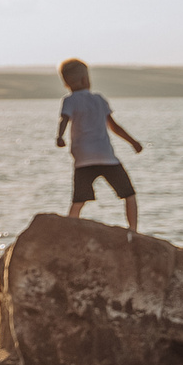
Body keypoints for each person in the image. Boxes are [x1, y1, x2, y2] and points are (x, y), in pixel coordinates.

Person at [54, 57, 143, 234]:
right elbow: (114, 127)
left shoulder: (69, 100)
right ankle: (133, 230)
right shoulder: (99, 99)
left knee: (78, 200)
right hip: (106, 157)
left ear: (66, 84)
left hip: (83, 159)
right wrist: (133, 142)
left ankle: (69, 232)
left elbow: (64, 119)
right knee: (129, 195)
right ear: (85, 79)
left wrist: (59, 136)